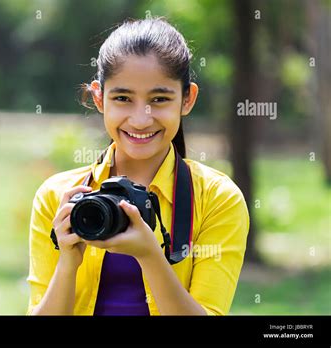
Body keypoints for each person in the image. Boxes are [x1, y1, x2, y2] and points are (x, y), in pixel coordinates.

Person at [27, 17, 249, 315]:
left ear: (187, 99)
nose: (141, 119)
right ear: (99, 97)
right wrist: (68, 261)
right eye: (122, 98)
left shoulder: (216, 199)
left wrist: (150, 256)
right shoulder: (58, 197)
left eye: (159, 99)